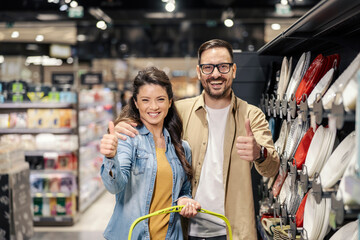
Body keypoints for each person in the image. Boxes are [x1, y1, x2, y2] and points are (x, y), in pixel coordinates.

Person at [113, 39, 280, 240]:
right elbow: (149, 115)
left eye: (223, 67)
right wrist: (125, 124)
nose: (216, 74)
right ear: (199, 72)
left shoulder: (252, 116)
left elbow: (272, 169)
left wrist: (259, 154)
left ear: (233, 70)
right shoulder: (180, 111)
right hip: (182, 230)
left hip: (232, 231)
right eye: (208, 67)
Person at [100, 67, 201, 240]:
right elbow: (115, 187)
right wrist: (110, 157)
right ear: (136, 103)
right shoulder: (128, 139)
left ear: (170, 102)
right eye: (145, 100)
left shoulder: (182, 148)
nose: (153, 106)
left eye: (160, 99)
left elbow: (184, 191)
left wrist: (184, 201)